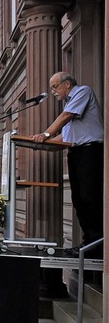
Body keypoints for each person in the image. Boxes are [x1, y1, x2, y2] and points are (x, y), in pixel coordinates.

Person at [31, 71, 104, 257]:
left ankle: (98, 244)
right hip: (76, 152)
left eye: (55, 87)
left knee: (89, 197)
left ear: (67, 84)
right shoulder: (69, 105)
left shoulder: (82, 92)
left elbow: (65, 117)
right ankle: (89, 243)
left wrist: (45, 135)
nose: (53, 91)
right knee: (78, 200)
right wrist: (39, 144)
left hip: (90, 151)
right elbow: (65, 137)